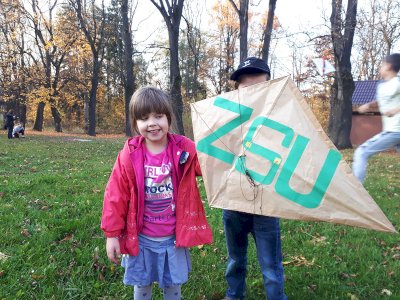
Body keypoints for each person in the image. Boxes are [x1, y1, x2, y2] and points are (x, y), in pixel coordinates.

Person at [101, 87, 213, 300]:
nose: (152, 123)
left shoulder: (183, 147)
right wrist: (112, 235)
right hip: (141, 238)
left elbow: (206, 165)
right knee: (142, 286)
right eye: (144, 118)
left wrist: (215, 142)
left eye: (158, 116)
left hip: (172, 237)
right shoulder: (129, 155)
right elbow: (115, 195)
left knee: (172, 285)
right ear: (135, 124)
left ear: (168, 118)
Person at [222, 57, 287, 300]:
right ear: (236, 90)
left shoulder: (281, 122)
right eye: (247, 88)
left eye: (260, 89)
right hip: (234, 203)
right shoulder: (226, 120)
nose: (253, 94)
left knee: (271, 266)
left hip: (266, 206)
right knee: (236, 259)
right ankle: (234, 295)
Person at [353, 53, 400, 183]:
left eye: (382, 64)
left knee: (361, 152)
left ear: (389, 66)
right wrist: (368, 105)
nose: (380, 67)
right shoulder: (382, 85)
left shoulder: (398, 82)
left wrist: (396, 110)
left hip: (395, 131)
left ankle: (357, 193)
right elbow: (381, 101)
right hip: (393, 132)